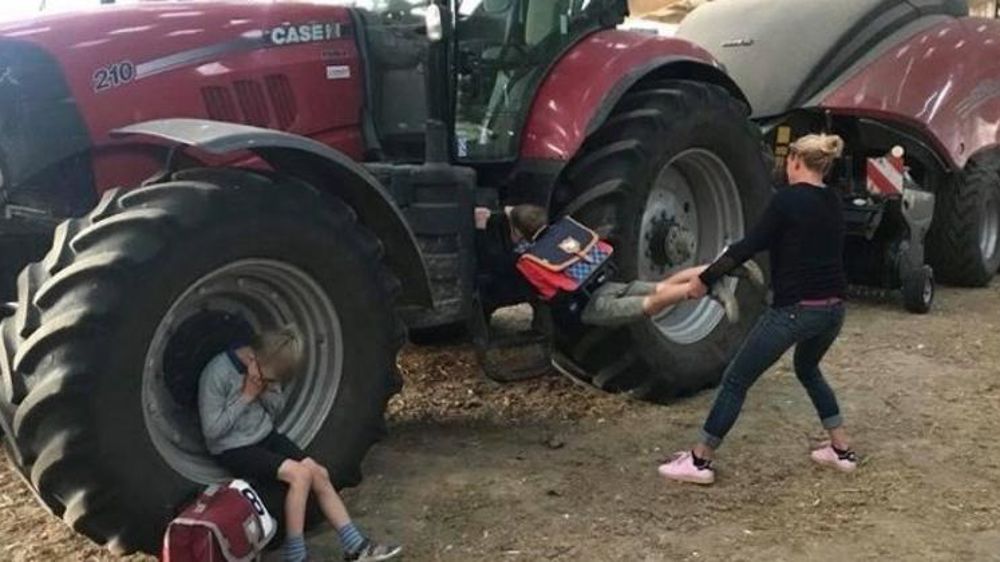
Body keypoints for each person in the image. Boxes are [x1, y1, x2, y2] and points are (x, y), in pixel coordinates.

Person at [659, 133, 857, 486]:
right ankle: (842, 451)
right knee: (808, 369)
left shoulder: (787, 201)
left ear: (795, 160)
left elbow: (747, 246)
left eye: (788, 160)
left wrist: (703, 280)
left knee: (736, 380)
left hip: (795, 310)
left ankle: (699, 461)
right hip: (833, 309)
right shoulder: (833, 200)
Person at [198, 326, 402, 562]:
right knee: (299, 476)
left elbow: (275, 409)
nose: (267, 382)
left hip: (264, 435)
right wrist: (246, 396)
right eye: (267, 378)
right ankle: (295, 555)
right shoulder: (217, 373)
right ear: (253, 357)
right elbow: (212, 432)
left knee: (318, 473)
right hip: (232, 448)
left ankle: (355, 546)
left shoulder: (266, 370)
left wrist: (264, 391)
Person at [475, 204, 761, 329]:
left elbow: (537, 288)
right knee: (662, 285)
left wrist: (486, 225)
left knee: (651, 303)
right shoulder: (567, 229)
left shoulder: (529, 260)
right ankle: (720, 266)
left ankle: (705, 287)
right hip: (606, 283)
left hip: (590, 306)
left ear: (519, 234)